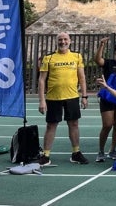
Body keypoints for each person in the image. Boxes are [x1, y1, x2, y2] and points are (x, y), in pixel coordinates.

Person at [37, 32, 89, 166]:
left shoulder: (77, 56)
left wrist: (84, 96)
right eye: (60, 39)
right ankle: (46, 155)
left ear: (70, 41)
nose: (63, 42)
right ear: (56, 42)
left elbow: (82, 77)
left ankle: (76, 153)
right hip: (53, 98)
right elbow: (42, 80)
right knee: (51, 125)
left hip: (72, 97)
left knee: (74, 124)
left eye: (65, 39)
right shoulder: (48, 58)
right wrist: (42, 100)